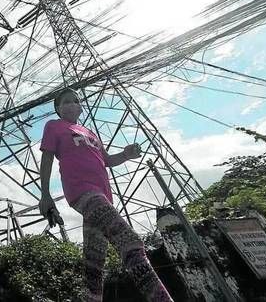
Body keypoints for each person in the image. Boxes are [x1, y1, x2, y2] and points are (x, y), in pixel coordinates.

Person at [38, 88, 173, 302]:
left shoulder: (90, 133)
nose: (72, 104)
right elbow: (46, 158)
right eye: (66, 102)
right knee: (130, 243)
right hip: (82, 191)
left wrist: (126, 154)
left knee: (94, 263)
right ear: (58, 108)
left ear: (81, 107)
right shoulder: (54, 126)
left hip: (104, 195)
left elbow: (108, 160)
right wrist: (45, 194)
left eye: (76, 101)